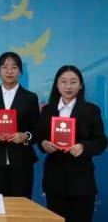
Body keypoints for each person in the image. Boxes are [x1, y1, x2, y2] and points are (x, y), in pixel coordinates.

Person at [39, 65, 106, 222]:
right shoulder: (48, 110)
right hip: (54, 179)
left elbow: (101, 141)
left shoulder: (91, 110)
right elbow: (40, 136)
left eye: (73, 82)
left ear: (80, 85)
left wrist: (83, 147)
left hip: (81, 180)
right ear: (57, 85)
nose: (68, 86)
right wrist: (43, 143)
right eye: (63, 82)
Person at [0, 52, 39, 198]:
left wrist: (26, 136)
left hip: (22, 160)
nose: (9, 71)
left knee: (21, 204)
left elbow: (38, 129)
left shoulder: (30, 98)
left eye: (14, 67)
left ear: (20, 71)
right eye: (4, 67)